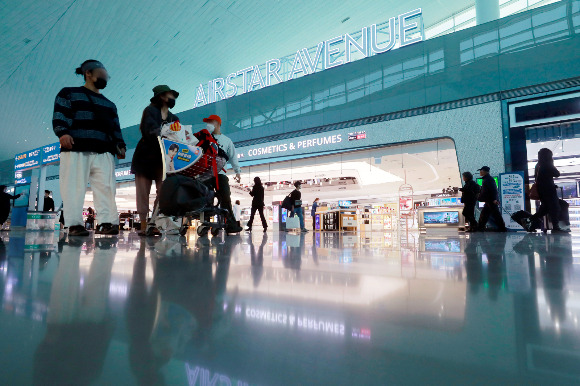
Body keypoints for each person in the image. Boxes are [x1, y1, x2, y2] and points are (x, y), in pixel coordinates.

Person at [53, 59, 126, 236]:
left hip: (104, 151)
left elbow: (115, 127)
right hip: (76, 147)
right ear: (89, 73)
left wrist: (120, 145)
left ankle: (106, 223)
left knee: (106, 188)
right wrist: (62, 133)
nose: (106, 78)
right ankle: (74, 224)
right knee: (73, 187)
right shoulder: (69, 93)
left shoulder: (110, 104)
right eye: (102, 74)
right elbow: (60, 115)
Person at [131, 85, 180, 236]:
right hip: (145, 156)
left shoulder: (174, 118)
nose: (173, 99)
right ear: (162, 96)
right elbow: (149, 130)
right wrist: (164, 132)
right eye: (170, 95)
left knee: (164, 190)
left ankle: (154, 222)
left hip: (163, 159)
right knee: (143, 192)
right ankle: (144, 224)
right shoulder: (150, 111)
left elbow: (179, 137)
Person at [202, 114, 242, 233]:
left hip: (220, 174)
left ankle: (230, 225)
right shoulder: (203, 138)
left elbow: (233, 157)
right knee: (205, 199)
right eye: (207, 122)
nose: (208, 124)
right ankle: (205, 223)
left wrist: (237, 171)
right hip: (206, 173)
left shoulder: (227, 141)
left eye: (211, 122)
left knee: (225, 198)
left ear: (218, 124)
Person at [528, 148, 566, 233]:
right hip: (549, 190)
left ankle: (528, 220)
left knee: (545, 209)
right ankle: (555, 227)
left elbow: (540, 178)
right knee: (555, 207)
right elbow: (557, 174)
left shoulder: (538, 164)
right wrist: (552, 163)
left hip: (542, 190)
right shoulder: (547, 164)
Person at [477, 166, 507, 232]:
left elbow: (494, 190)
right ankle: (480, 227)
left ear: (484, 171)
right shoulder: (486, 179)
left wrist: (494, 199)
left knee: (495, 214)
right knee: (484, 214)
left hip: (490, 200)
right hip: (489, 200)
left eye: (481, 171)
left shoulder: (488, 179)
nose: (480, 172)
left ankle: (502, 228)